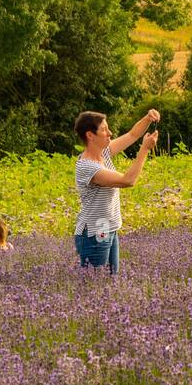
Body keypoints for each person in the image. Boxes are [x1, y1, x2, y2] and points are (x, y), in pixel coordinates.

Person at [73, 108, 160, 274]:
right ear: (90, 135)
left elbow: (133, 135)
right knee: (95, 285)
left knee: (110, 282)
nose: (110, 133)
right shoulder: (87, 166)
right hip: (96, 230)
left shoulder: (103, 153)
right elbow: (127, 180)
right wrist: (145, 149)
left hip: (108, 227)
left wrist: (148, 118)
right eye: (104, 130)